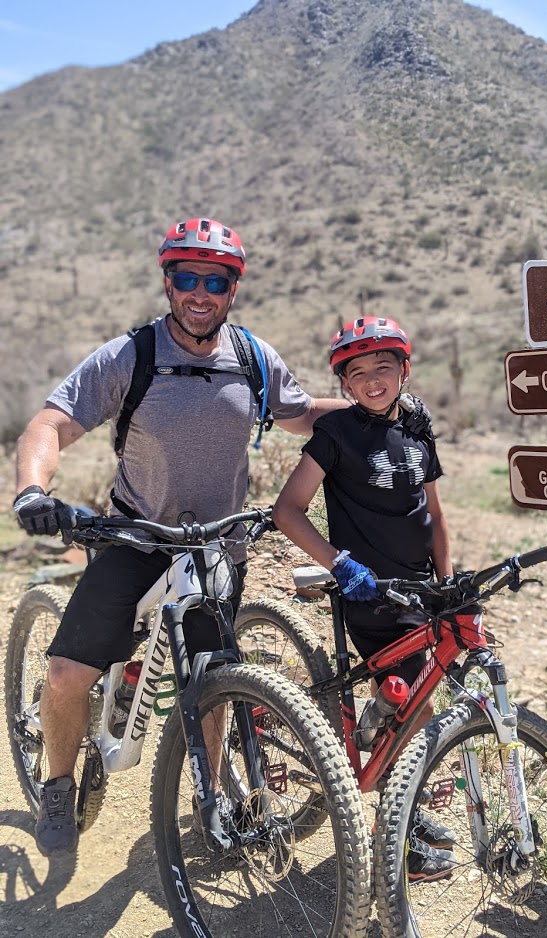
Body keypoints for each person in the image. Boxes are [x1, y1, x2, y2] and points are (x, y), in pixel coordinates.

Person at [13, 216, 350, 857]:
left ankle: (212, 792)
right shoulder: (131, 357)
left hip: (216, 547)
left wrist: (375, 410)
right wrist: (33, 489)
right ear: (168, 283)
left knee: (213, 682)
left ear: (232, 289)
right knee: (65, 674)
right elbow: (50, 425)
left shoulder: (253, 357)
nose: (201, 291)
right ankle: (57, 785)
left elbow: (303, 416)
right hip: (134, 540)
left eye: (215, 280)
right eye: (187, 277)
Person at [272, 315, 458, 882]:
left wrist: (447, 583)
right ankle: (393, 836)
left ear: (404, 369)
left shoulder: (418, 426)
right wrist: (339, 563)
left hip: (419, 590)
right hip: (370, 592)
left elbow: (434, 515)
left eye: (384, 367)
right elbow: (287, 510)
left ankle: (407, 804)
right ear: (345, 385)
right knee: (411, 707)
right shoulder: (338, 435)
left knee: (418, 700)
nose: (373, 380)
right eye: (358, 373)